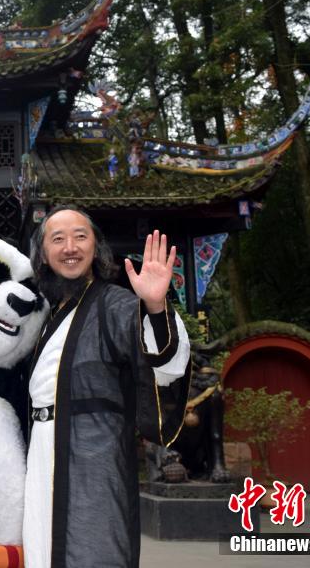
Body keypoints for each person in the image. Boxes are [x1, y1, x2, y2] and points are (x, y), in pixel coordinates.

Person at [23, 205, 191, 568]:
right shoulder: (47, 316)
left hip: (94, 457)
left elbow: (166, 366)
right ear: (44, 255)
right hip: (41, 455)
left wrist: (155, 307)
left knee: (94, 549)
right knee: (40, 550)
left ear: (96, 248)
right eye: (58, 239)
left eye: (80, 237)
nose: (70, 247)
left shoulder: (115, 304)